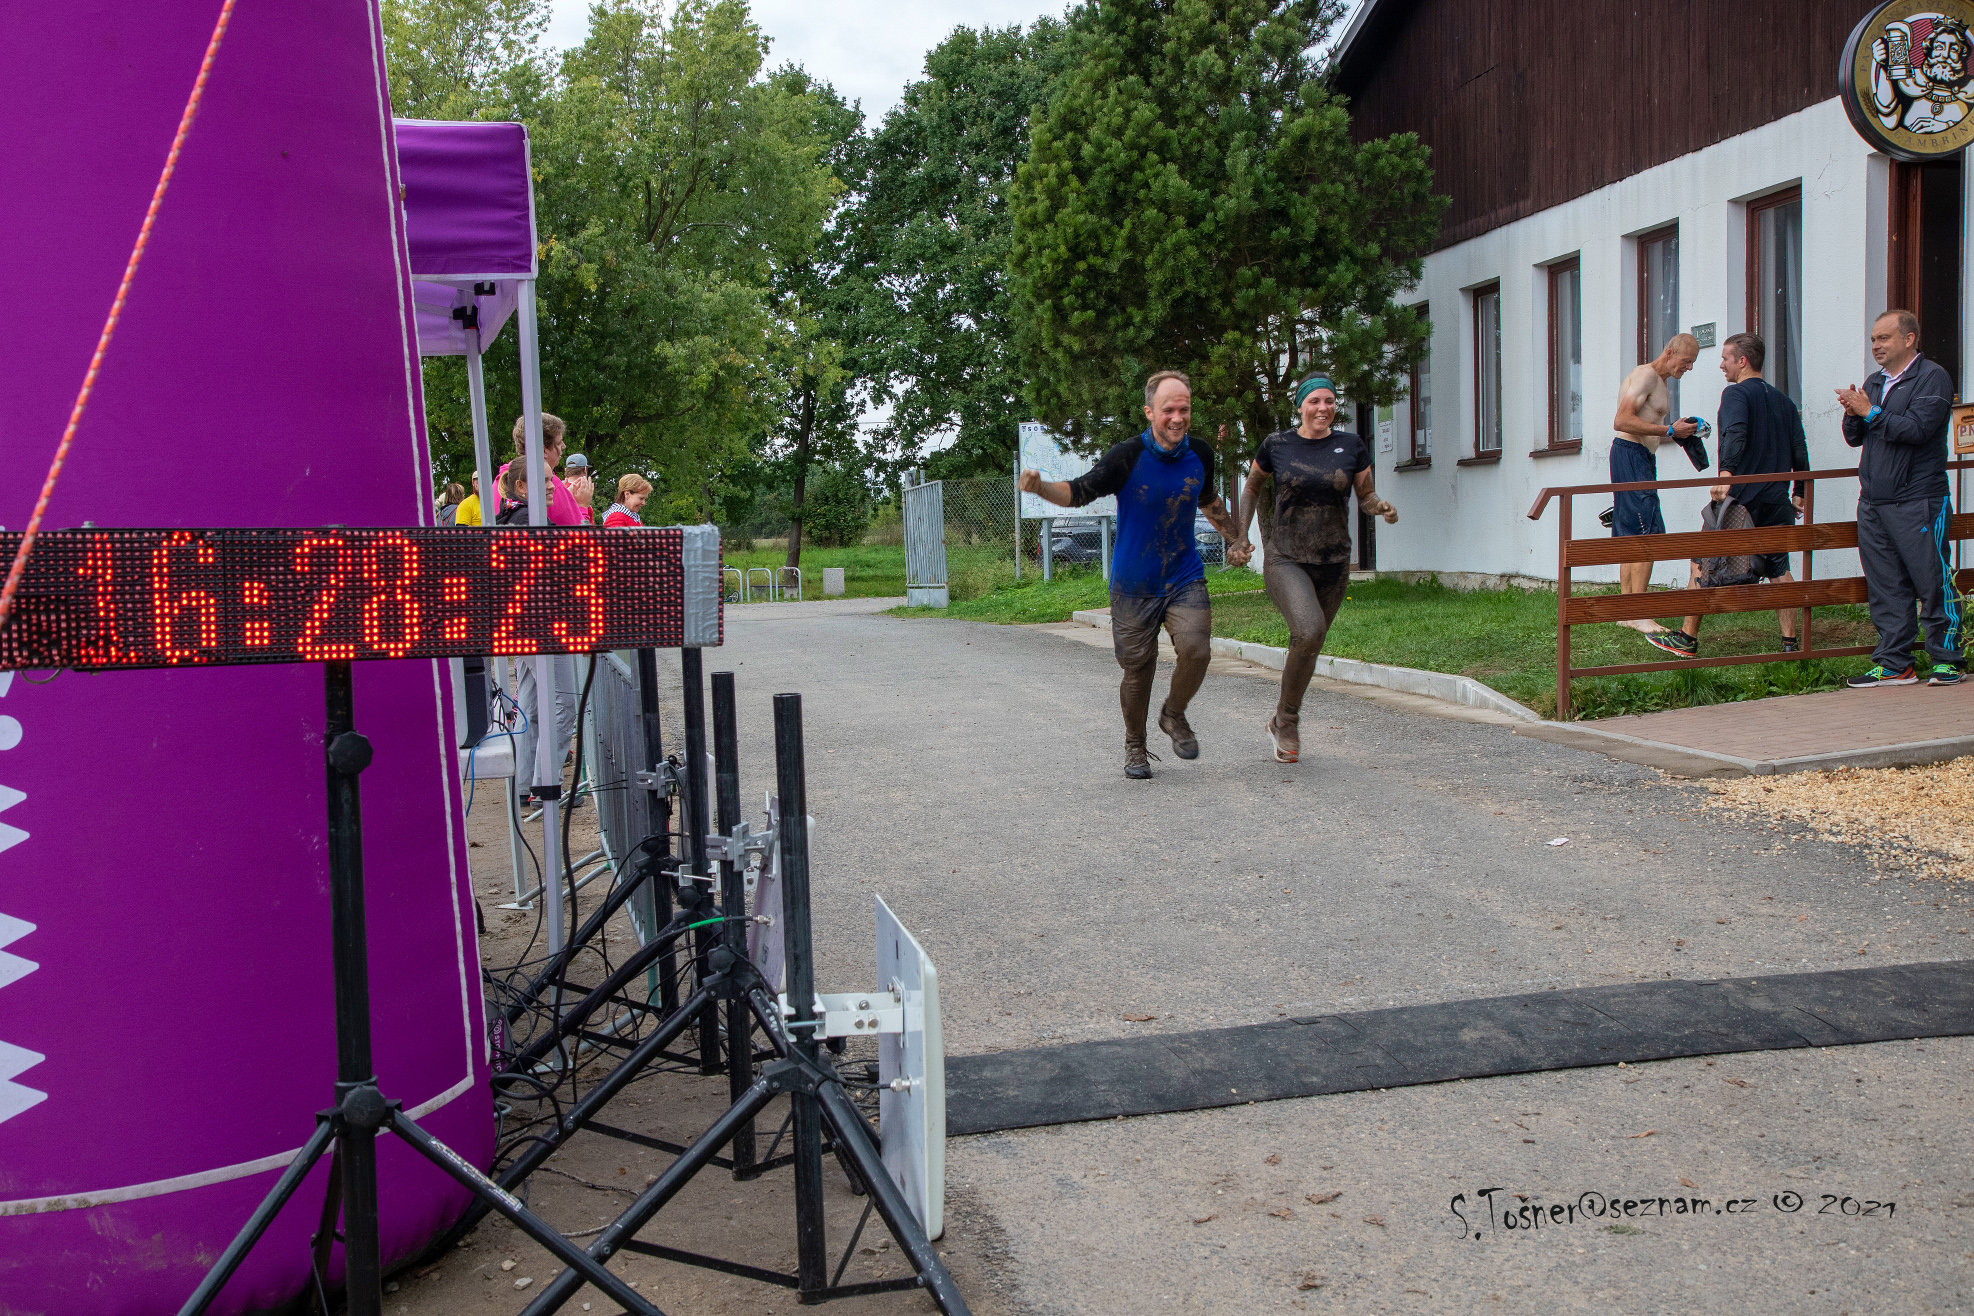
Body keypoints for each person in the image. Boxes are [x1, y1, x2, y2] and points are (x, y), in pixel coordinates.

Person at [1018, 370, 1249, 779]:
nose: (1177, 418)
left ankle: (1173, 714)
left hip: (1183, 575)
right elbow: (1079, 491)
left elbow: (1209, 500)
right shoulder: (1126, 456)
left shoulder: (1200, 453)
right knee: (1138, 667)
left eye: (1184, 409)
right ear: (1149, 412)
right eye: (1168, 410)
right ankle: (1135, 744)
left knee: (1197, 650)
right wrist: (1041, 488)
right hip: (1133, 583)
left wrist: (1235, 539)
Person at [1236, 375, 1396, 763]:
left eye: (1329, 401)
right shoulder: (1277, 445)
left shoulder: (1352, 446)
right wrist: (1240, 535)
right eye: (1315, 401)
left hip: (1334, 562)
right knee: (1308, 630)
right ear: (1300, 406)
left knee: (1311, 642)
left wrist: (1379, 507)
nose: (1323, 408)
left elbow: (1365, 494)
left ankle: (1279, 719)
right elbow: (1252, 487)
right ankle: (1289, 721)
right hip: (1286, 558)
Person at [1648, 332, 1810, 658]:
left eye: (1725, 358)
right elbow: (1799, 448)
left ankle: (1687, 639)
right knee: (1779, 569)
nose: (1721, 365)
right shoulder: (1785, 402)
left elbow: (1736, 433)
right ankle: (1790, 644)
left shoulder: (1735, 393)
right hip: (1776, 501)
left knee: (1700, 561)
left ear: (1743, 361)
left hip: (1740, 502)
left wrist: (1726, 474)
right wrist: (1800, 492)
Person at [1837, 309, 1964, 687]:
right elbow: (1856, 438)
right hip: (1874, 503)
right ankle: (1895, 664)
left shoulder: (1932, 377)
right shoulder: (1874, 381)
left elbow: (1917, 430)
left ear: (1909, 339)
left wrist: (1869, 411)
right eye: (1873, 339)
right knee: (1886, 587)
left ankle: (1948, 660)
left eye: (1884, 338)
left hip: (1918, 500)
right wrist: (1853, 414)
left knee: (1933, 581)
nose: (1876, 346)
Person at [1609, 333, 1703, 633]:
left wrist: (1681, 433)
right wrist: (1670, 431)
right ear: (1670, 352)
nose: (1689, 368)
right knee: (1645, 533)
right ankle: (1639, 613)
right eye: (1686, 361)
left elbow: (1650, 424)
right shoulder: (1646, 376)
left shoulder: (1659, 382)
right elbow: (1621, 420)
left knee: (1631, 532)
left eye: (1692, 363)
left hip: (1636, 455)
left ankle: (1626, 612)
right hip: (1631, 454)